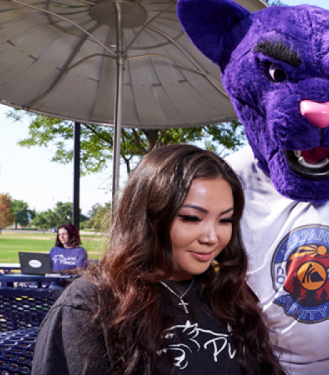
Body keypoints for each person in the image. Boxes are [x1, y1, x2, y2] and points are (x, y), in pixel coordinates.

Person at [33, 145, 286, 375]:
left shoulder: (230, 296)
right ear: (148, 218)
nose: (212, 237)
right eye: (191, 218)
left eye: (225, 220)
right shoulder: (92, 305)